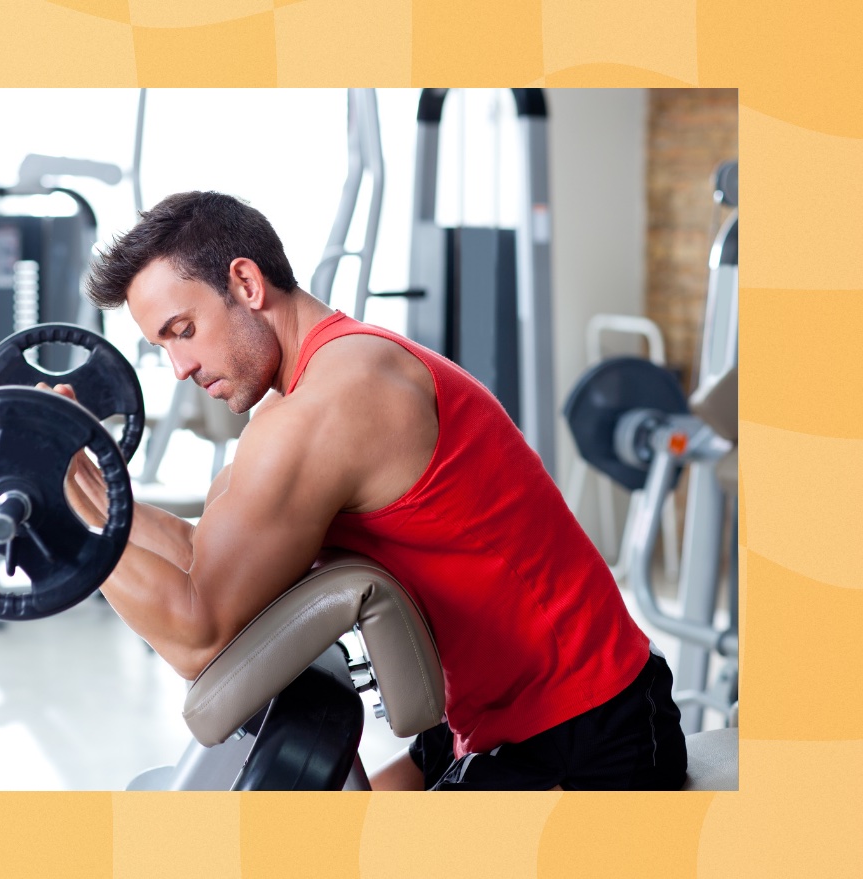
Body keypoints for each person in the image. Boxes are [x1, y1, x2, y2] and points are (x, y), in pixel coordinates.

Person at [46, 190, 686, 791]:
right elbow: (198, 554)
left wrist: (66, 515)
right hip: (482, 722)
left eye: (183, 331)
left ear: (245, 283)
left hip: (587, 732)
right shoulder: (311, 390)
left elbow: (198, 638)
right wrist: (82, 481)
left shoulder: (334, 406)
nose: (179, 367)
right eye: (162, 345)